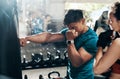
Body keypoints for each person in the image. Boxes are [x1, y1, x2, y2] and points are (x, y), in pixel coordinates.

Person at [20, 9, 98, 79]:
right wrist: (27, 38)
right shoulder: (71, 32)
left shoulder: (92, 39)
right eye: (69, 27)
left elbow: (77, 62)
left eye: (74, 27)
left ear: (83, 21)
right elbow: (49, 37)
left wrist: (70, 40)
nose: (71, 30)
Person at [94, 1, 120, 79]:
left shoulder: (118, 43)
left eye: (111, 20)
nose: (109, 23)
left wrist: (100, 46)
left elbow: (97, 70)